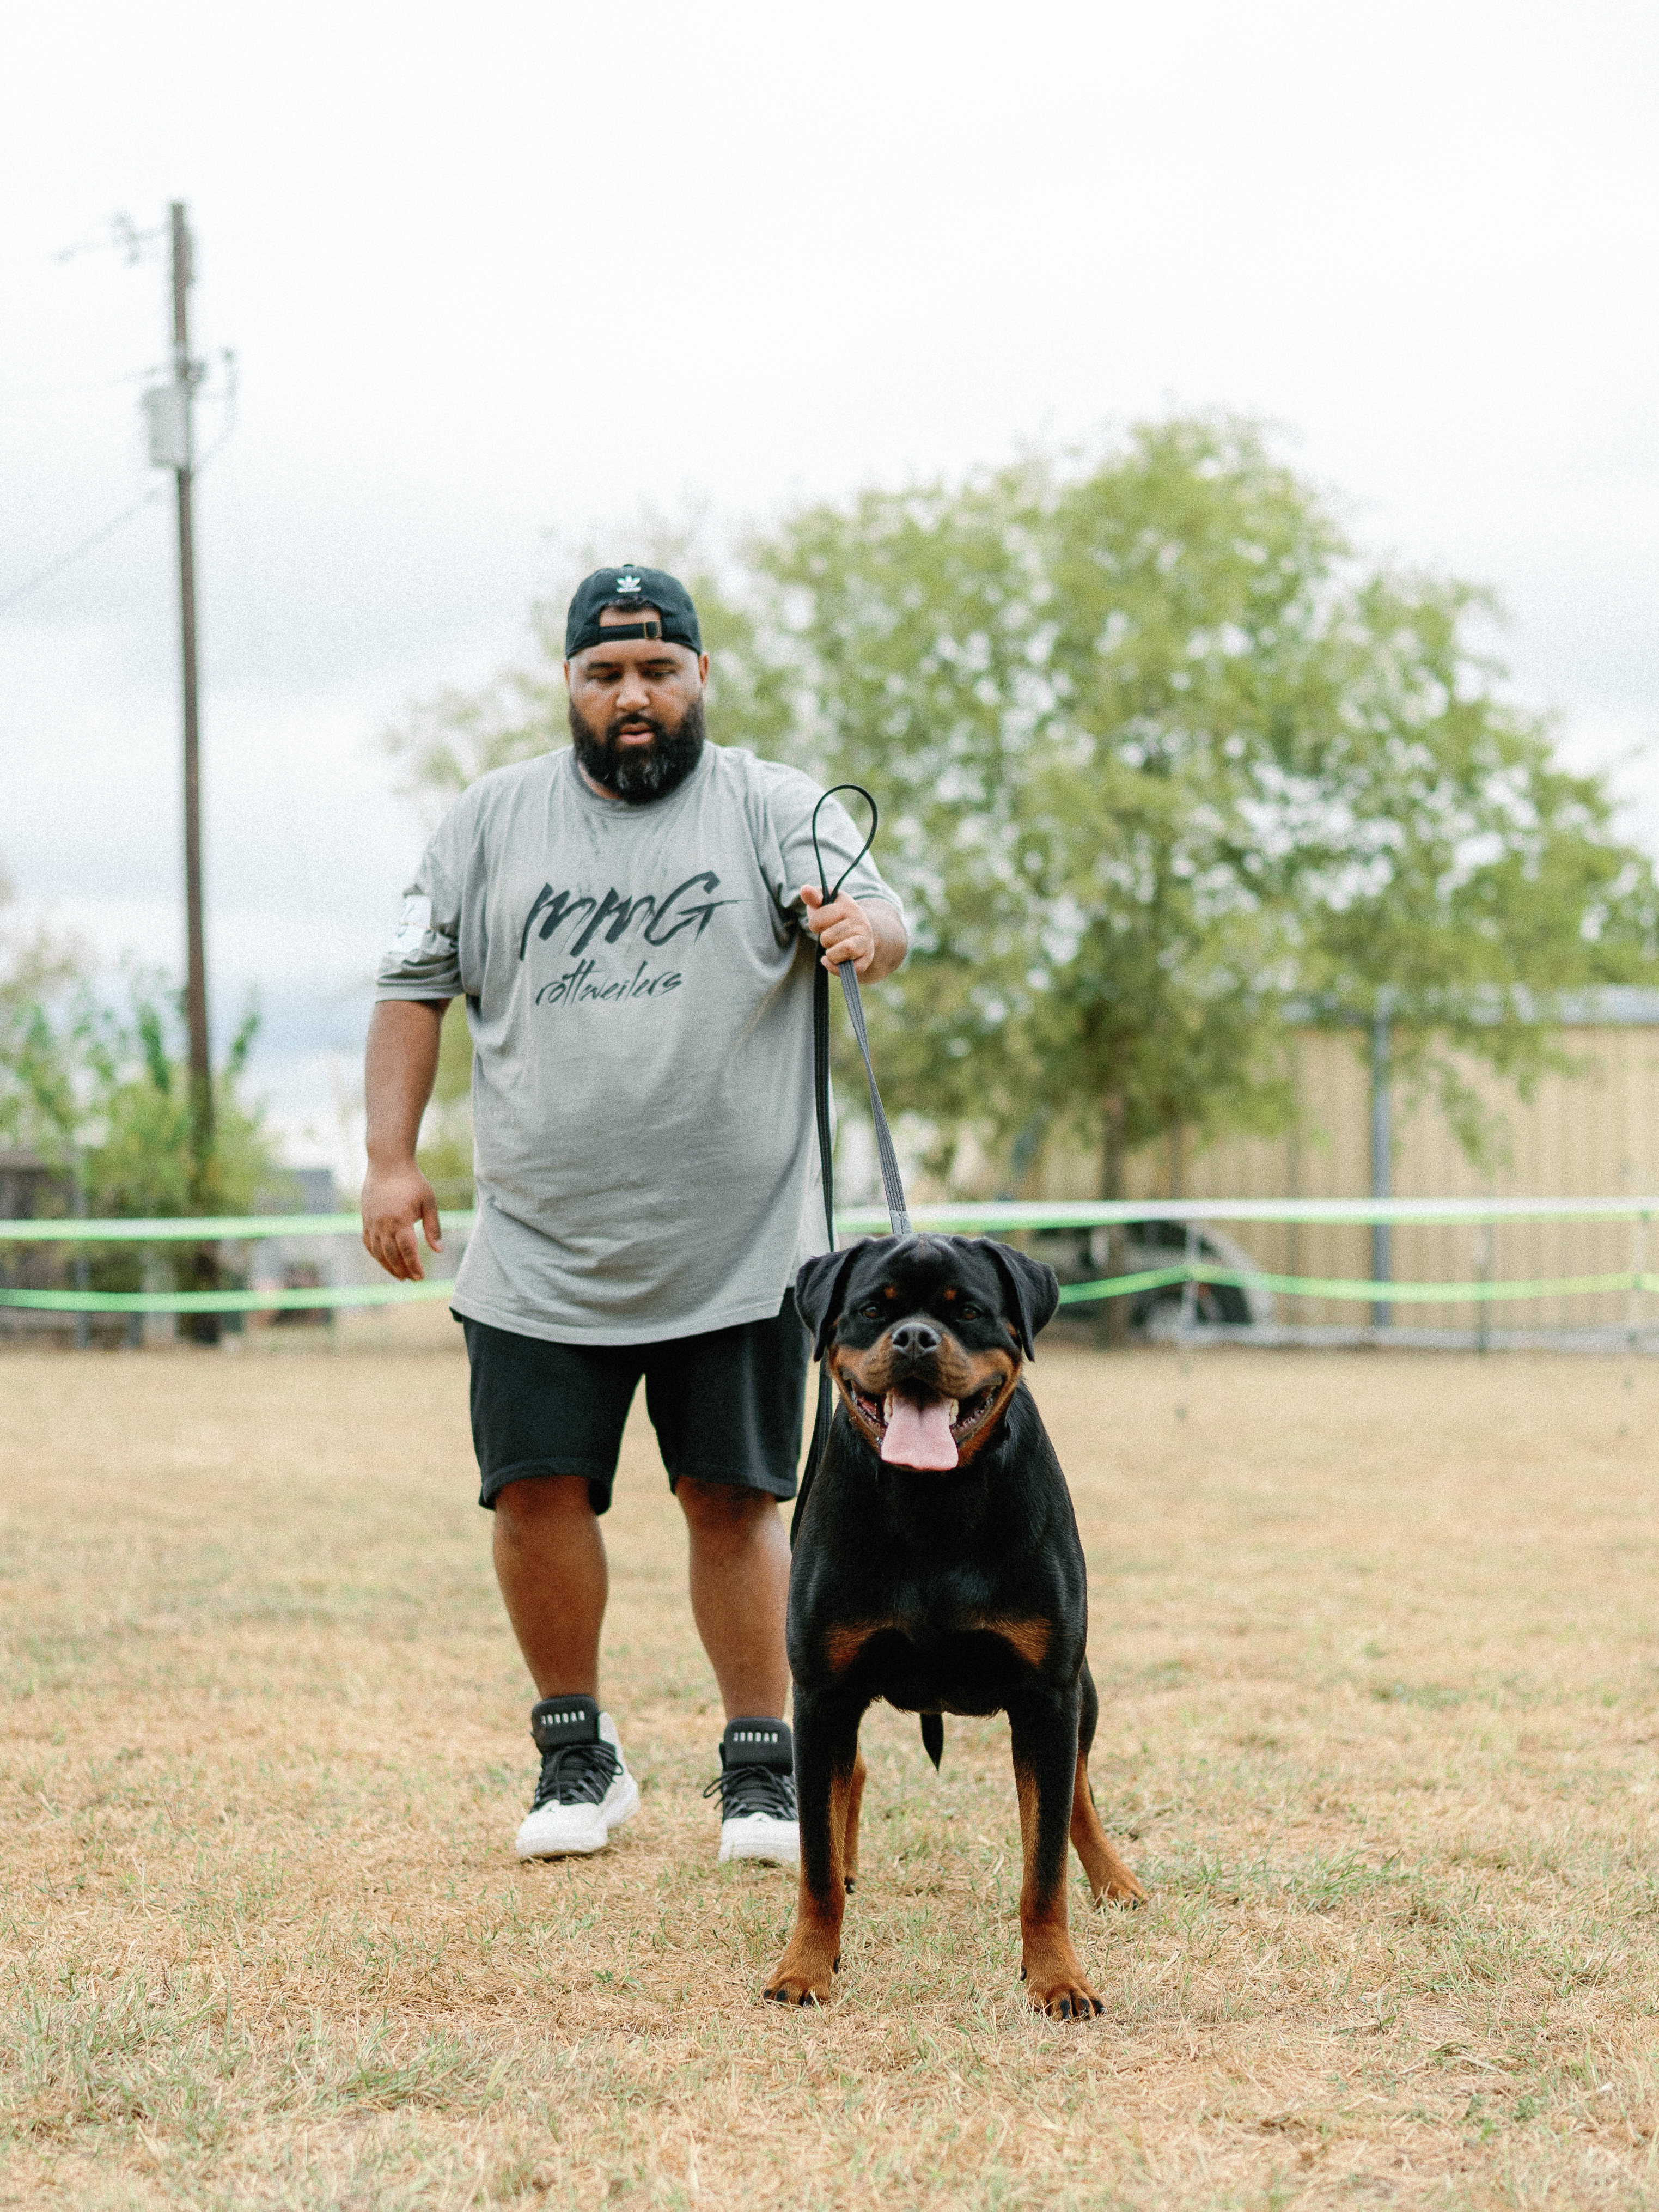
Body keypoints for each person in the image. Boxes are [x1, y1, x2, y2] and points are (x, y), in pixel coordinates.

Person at [362, 563, 906, 1870]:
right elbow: (410, 989)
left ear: (699, 676)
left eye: (658, 670)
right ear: (569, 684)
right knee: (531, 1493)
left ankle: (761, 1771)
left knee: (734, 1499)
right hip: (540, 1247)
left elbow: (883, 917)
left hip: (740, 1248)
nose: (633, 695)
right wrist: (387, 1160)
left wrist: (864, 935)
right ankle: (577, 1757)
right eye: (605, 674)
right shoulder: (489, 820)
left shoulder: (771, 805)